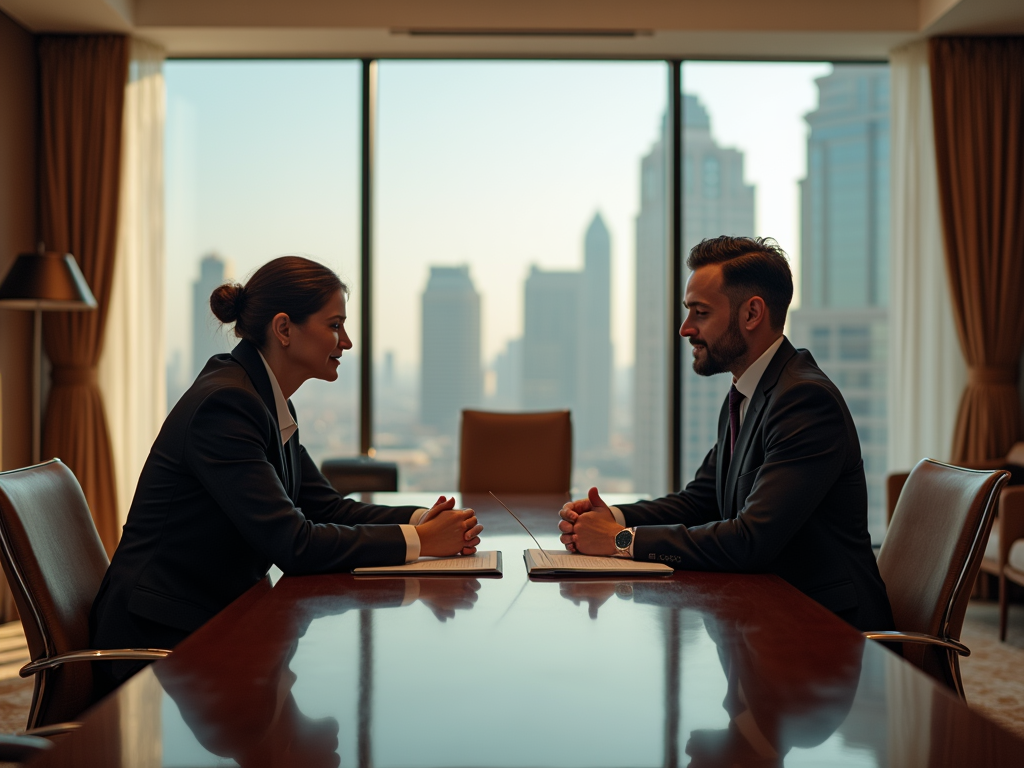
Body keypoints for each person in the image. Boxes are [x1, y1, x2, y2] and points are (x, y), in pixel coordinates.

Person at [90, 256, 482, 686]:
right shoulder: (227, 407)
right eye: (335, 325)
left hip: (213, 617)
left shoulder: (263, 400)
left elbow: (326, 507)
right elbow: (294, 545)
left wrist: (420, 519)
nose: (347, 341)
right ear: (284, 329)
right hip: (161, 637)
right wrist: (420, 541)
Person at [557, 236, 894, 631]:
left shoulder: (804, 400)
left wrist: (621, 540)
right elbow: (700, 501)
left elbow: (751, 540)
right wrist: (611, 516)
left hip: (827, 633)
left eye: (700, 313)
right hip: (768, 614)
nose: (685, 329)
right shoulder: (748, 392)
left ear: (752, 313)